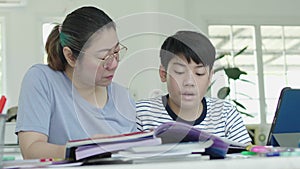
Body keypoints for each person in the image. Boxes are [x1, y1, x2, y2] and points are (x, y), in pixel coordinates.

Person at [15, 6, 137, 159]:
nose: (113, 64)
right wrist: (83, 150)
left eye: (116, 52)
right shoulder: (42, 80)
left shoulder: (123, 98)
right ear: (71, 57)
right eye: (103, 57)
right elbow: (31, 150)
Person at [136, 30, 252, 145]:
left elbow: (249, 159)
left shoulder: (226, 114)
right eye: (179, 71)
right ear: (163, 73)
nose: (189, 82)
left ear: (210, 77)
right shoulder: (141, 114)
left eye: (199, 73)